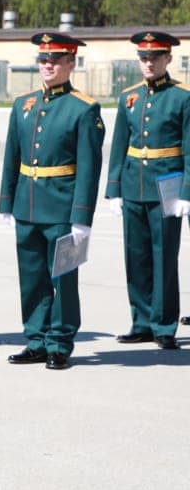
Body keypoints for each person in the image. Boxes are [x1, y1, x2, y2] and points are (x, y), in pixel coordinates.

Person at [0, 32, 104, 371]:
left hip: (61, 207)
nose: (48, 65)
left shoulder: (84, 109)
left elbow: (89, 166)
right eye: (43, 59)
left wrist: (82, 216)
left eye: (56, 59)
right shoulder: (23, 105)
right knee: (31, 278)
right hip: (27, 205)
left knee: (63, 279)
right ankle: (36, 339)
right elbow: (11, 155)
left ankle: (60, 343)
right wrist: (7, 201)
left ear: (71, 63)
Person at [105, 32, 190, 350]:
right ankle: (140, 321)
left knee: (164, 256)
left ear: (168, 59)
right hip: (133, 183)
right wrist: (114, 188)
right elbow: (118, 145)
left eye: (155, 57)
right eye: (143, 57)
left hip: (167, 184)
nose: (149, 62)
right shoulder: (129, 96)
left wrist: (187, 191)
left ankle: (164, 324)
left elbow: (189, 146)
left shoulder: (183, 97)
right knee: (136, 256)